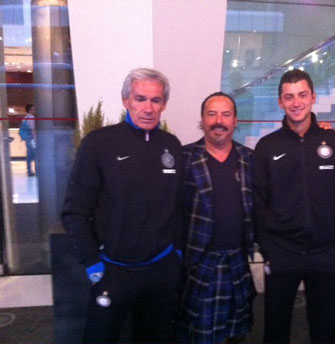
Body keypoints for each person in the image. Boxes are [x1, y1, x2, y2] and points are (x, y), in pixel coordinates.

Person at [61, 68, 183, 344]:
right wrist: (91, 261)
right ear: (126, 100)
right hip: (112, 270)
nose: (148, 108)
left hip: (160, 270)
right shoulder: (98, 144)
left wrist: (177, 252)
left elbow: (178, 206)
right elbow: (75, 211)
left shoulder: (172, 146)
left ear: (163, 104)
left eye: (155, 100)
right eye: (140, 99)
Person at [253, 69, 335, 344]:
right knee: (275, 330)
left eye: (301, 95)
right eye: (289, 97)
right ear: (280, 102)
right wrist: (268, 248)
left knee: (326, 331)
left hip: (328, 253)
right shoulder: (266, 147)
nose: (296, 102)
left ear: (313, 97)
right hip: (282, 252)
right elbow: (258, 202)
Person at [176, 92, 255, 344]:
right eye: (212, 114)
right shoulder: (184, 158)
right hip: (199, 264)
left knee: (235, 335)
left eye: (225, 114)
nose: (218, 121)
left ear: (235, 121)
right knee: (198, 335)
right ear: (202, 120)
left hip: (237, 261)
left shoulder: (250, 159)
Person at [21, 104, 36, 176]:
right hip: (31, 138)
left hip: (27, 138)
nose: (34, 110)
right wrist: (35, 138)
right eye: (33, 109)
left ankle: (29, 170)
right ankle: (37, 170)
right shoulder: (31, 117)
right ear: (30, 110)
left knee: (29, 155)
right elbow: (32, 129)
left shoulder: (25, 117)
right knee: (35, 154)